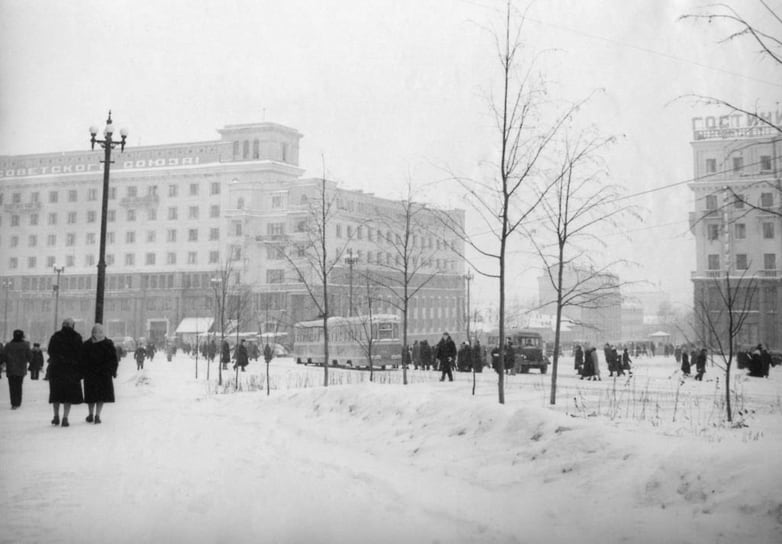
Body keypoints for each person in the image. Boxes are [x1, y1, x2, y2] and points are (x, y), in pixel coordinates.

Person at [47, 318, 84, 427]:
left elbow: (50, 351)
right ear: (72, 326)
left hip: (56, 370)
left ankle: (55, 416)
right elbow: (80, 354)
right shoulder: (77, 337)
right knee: (68, 396)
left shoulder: (56, 336)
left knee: (56, 395)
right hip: (71, 371)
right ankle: (65, 418)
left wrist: (58, 358)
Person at [81, 324, 118, 424]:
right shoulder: (108, 344)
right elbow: (114, 359)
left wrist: (83, 372)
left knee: (91, 396)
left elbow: (82, 360)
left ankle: (90, 414)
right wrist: (112, 371)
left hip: (90, 374)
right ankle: (97, 415)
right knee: (101, 396)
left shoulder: (87, 344)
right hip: (104, 374)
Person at [2, 329, 31, 409]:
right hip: (21, 369)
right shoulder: (25, 345)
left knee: (12, 387)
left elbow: (3, 356)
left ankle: (13, 403)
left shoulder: (8, 345)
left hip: (11, 369)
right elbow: (30, 357)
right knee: (19, 386)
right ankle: (18, 402)